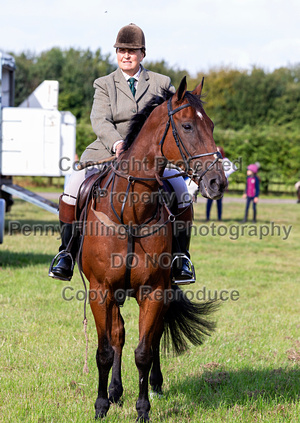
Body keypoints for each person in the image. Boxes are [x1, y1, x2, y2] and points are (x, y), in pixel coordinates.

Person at [49, 23, 195, 284]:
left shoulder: (162, 83)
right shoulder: (104, 83)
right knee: (73, 186)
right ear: (117, 53)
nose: (126, 55)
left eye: (132, 50)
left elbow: (174, 118)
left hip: (152, 156)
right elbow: (100, 120)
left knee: (182, 192)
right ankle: (67, 253)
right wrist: (118, 144)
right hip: (108, 150)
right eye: (121, 50)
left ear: (142, 53)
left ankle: (181, 257)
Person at [206, 146, 237, 221]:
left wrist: (225, 174)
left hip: (220, 184)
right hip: (212, 184)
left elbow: (234, 167)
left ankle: (219, 218)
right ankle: (207, 217)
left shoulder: (224, 160)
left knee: (219, 202)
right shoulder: (212, 160)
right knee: (209, 201)